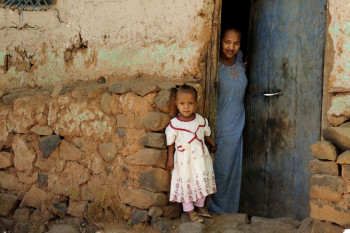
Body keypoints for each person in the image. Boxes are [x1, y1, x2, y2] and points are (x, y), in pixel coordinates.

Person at [165, 84, 217, 223]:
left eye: (190, 103)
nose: (186, 107)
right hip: (184, 161)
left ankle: (200, 207)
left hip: (200, 159)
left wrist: (212, 144)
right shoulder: (175, 124)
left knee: (201, 180)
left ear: (196, 103)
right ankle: (190, 211)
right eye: (182, 103)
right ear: (176, 104)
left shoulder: (200, 120)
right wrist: (170, 159)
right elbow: (170, 143)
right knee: (186, 182)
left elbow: (206, 135)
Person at [209, 26, 248, 213]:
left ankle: (229, 210)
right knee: (220, 169)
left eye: (236, 43)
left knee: (233, 169)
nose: (231, 47)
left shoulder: (240, 59)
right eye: (227, 42)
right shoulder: (213, 66)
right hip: (221, 126)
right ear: (220, 41)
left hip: (237, 125)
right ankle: (215, 209)